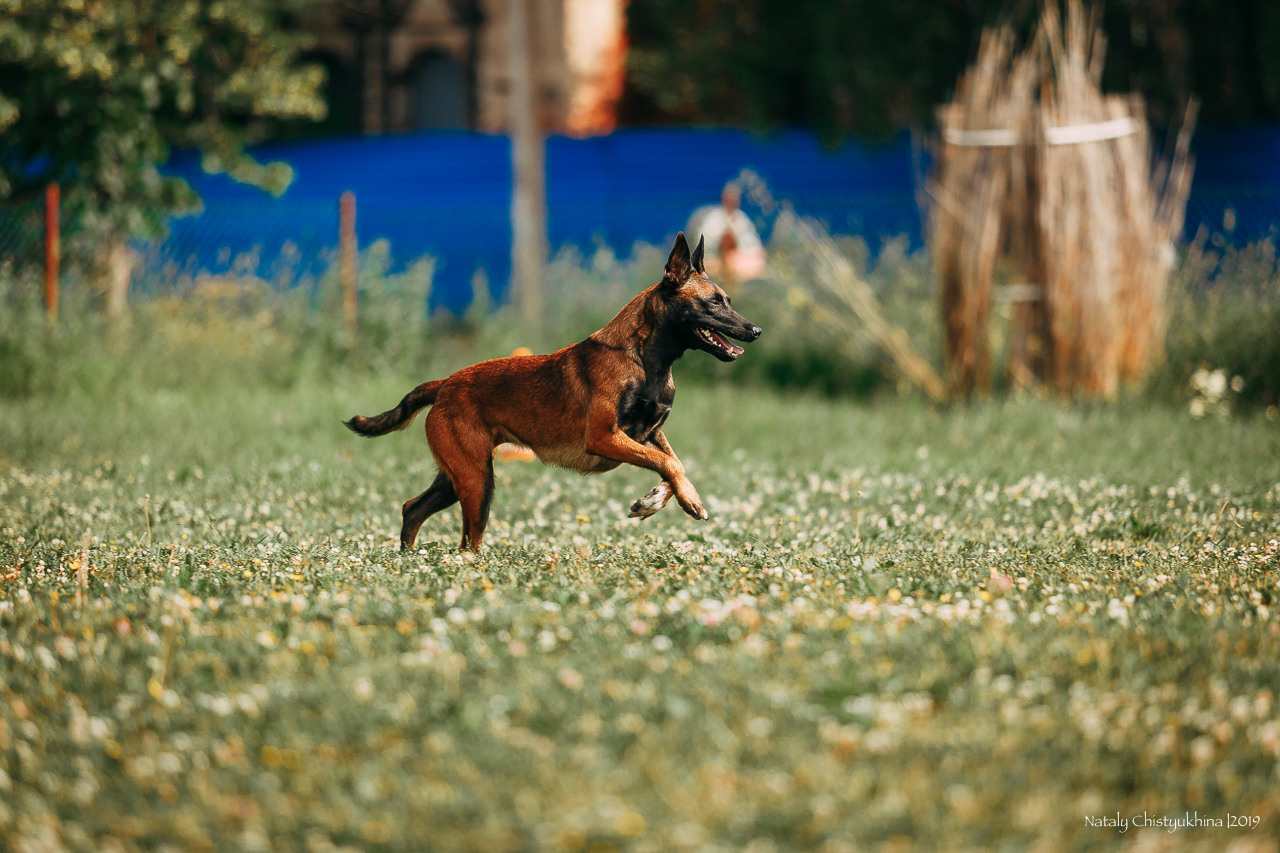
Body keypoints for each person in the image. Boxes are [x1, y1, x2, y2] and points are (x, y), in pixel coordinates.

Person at [686, 182, 766, 292]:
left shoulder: (741, 219)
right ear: (724, 199)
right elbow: (705, 247)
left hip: (736, 261)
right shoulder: (714, 220)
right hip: (715, 261)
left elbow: (752, 243)